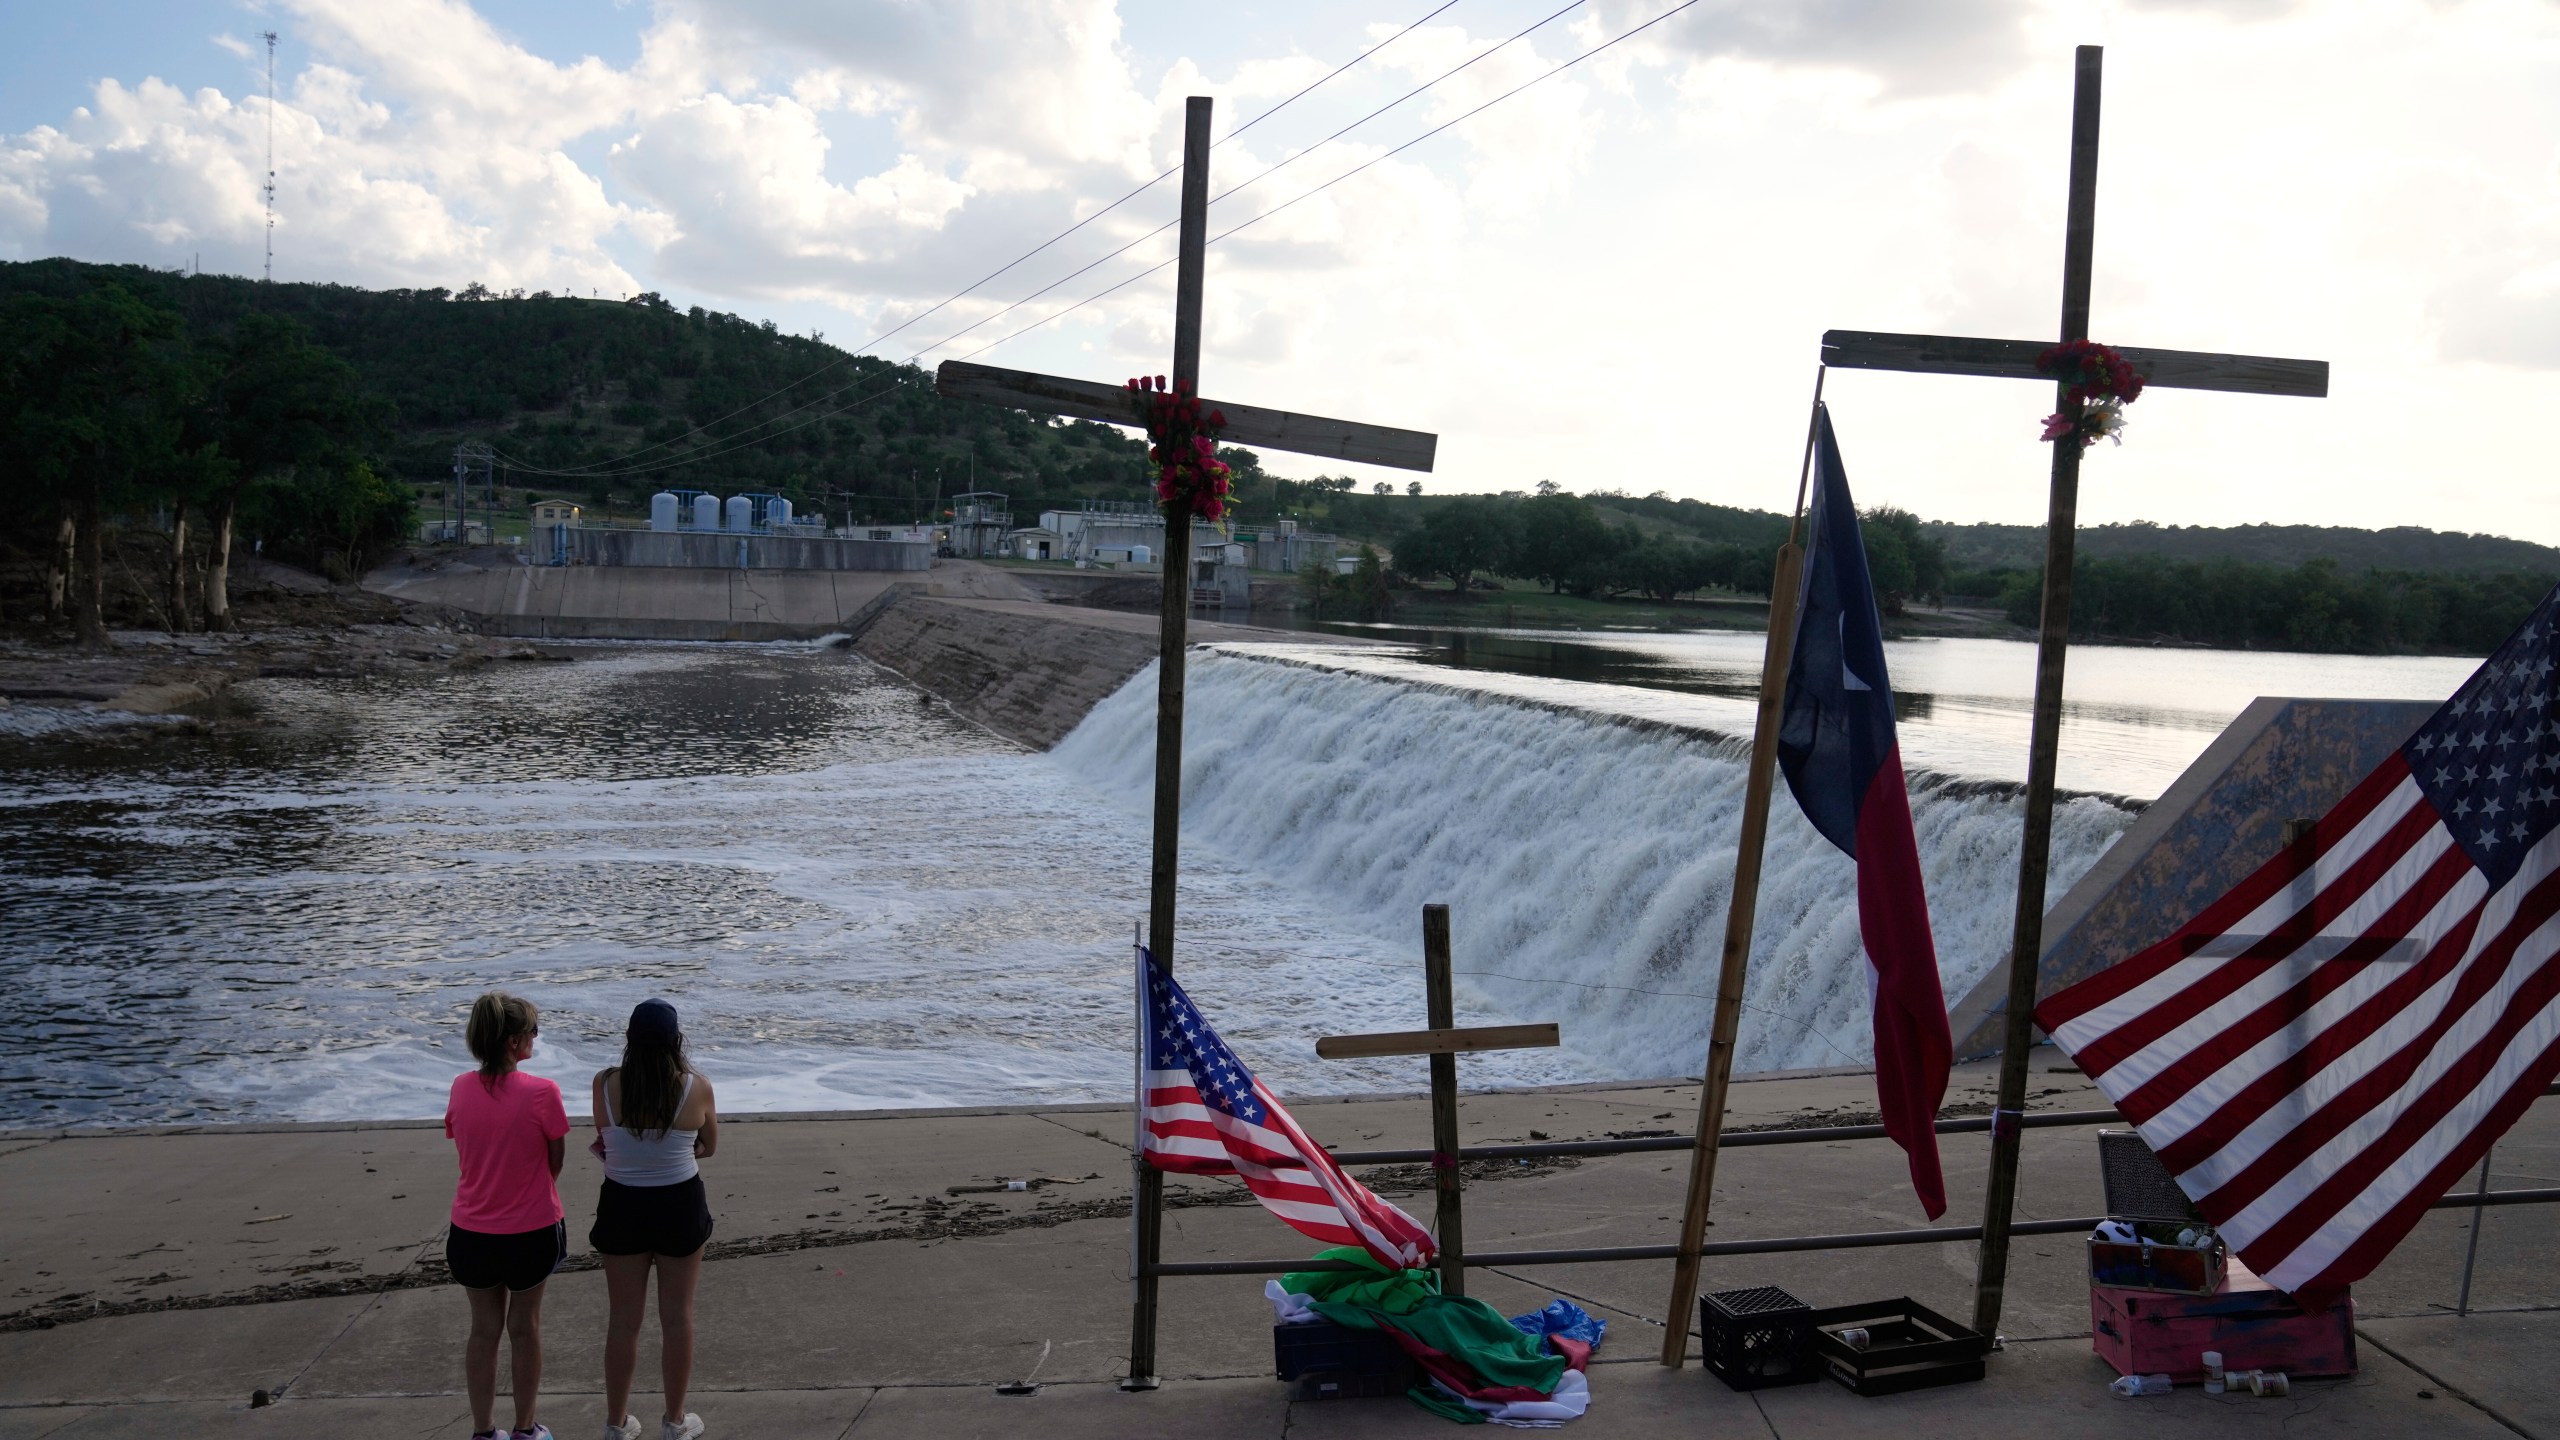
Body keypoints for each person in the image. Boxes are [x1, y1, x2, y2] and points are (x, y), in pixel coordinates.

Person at [591, 999, 717, 1440]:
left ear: (628, 1040)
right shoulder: (695, 1086)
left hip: (622, 1203)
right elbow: (709, 1144)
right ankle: (675, 1421)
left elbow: (604, 1138)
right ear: (675, 1040)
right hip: (678, 1203)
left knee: (623, 1320)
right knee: (677, 1317)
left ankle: (616, 1423)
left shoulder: (605, 1084)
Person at [445, 991, 569, 1440]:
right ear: (514, 1042)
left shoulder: (460, 1086)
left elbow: (464, 1143)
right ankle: (525, 1428)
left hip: (471, 1230)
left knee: (483, 1331)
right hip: (530, 1229)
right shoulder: (542, 1092)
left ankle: (483, 1431)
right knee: (524, 1328)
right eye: (532, 1031)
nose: (536, 1038)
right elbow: (555, 1159)